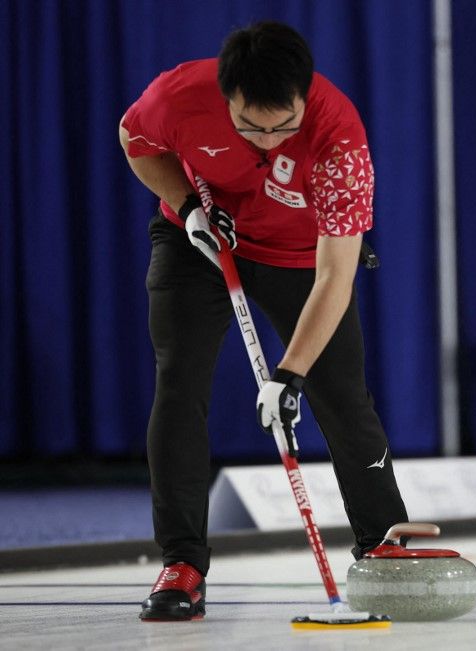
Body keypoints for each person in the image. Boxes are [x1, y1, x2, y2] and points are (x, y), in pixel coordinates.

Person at [118, 21, 408, 621]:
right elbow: (134, 139)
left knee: (341, 396)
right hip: (199, 240)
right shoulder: (178, 96)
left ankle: (382, 545)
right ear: (226, 97)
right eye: (251, 126)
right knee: (179, 385)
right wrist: (189, 208)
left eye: (285, 126)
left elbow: (335, 277)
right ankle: (182, 565)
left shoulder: (339, 135)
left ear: (305, 96)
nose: (271, 141)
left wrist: (288, 375)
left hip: (301, 257)